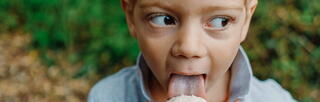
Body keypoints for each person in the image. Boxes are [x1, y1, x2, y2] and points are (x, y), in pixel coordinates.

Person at [88, 0, 297, 102]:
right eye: (164, 19)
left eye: (219, 21)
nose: (189, 48)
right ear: (131, 16)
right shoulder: (107, 97)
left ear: (246, 21)